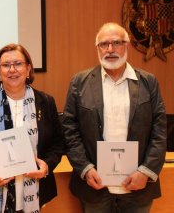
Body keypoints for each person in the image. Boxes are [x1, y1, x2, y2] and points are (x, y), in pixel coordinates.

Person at [62, 22, 167, 212]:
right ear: (97, 48)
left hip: (137, 187)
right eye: (104, 44)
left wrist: (145, 171)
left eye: (116, 43)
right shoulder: (79, 82)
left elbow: (159, 130)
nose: (110, 49)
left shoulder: (148, 82)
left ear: (126, 45)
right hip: (95, 186)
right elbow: (70, 130)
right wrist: (85, 169)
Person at [0, 43, 65, 213]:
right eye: (6, 65)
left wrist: (46, 166)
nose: (12, 70)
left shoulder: (45, 101)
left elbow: (59, 143)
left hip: (35, 189)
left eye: (18, 64)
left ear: (28, 68)